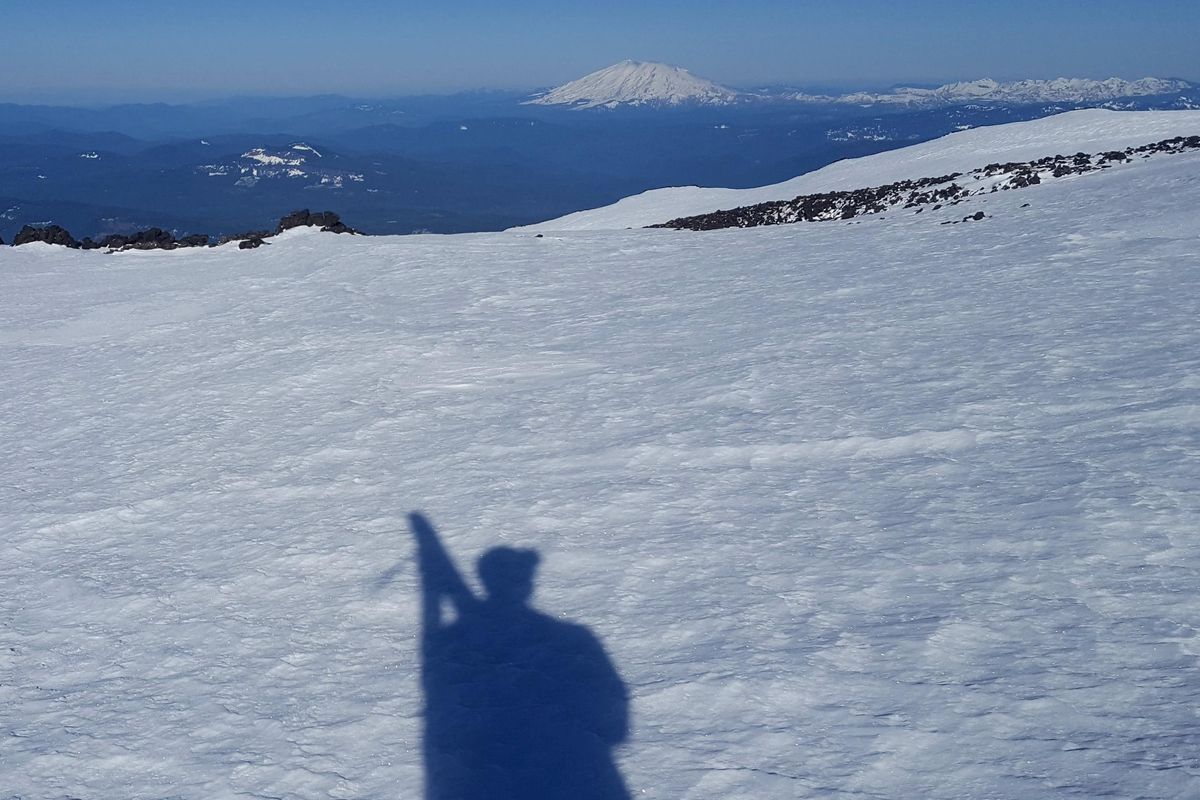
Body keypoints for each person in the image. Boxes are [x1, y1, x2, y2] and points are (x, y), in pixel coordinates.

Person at [409, 512, 630, 800]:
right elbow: (615, 725)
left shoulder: (451, 642)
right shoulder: (574, 639)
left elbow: (446, 718)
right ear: (526, 584)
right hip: (570, 775)